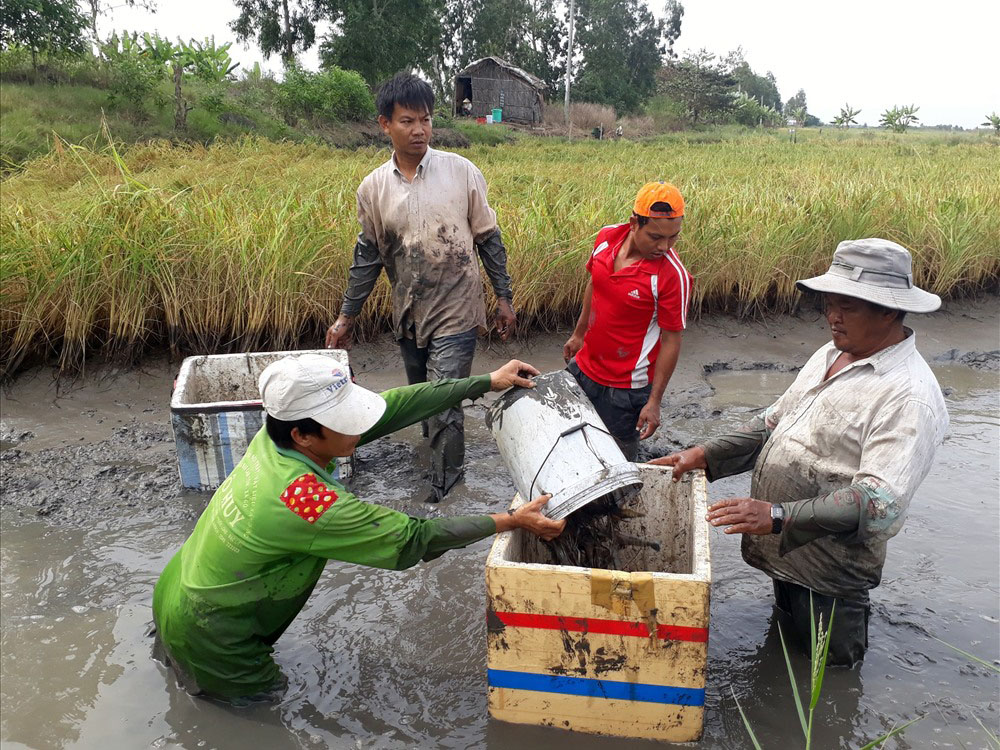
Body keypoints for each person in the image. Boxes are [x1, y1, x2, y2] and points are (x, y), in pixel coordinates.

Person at [152, 354, 565, 702]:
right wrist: (509, 520)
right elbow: (413, 539)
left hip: (178, 586)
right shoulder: (307, 502)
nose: (358, 427)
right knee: (262, 709)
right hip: (213, 635)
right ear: (304, 435)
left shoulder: (273, 435)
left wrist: (483, 382)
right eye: (345, 420)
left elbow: (394, 407)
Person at [653, 238, 949, 666]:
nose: (832, 316)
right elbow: (773, 423)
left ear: (889, 310)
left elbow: (879, 504)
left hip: (831, 575)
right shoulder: (833, 353)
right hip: (785, 556)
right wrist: (704, 455)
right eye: (829, 302)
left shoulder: (908, 396)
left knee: (829, 683)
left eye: (848, 305)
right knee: (786, 656)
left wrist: (776, 516)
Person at [325, 72, 516, 504]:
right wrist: (346, 317)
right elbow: (368, 258)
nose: (419, 130)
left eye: (426, 120)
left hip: (458, 308)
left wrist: (503, 298)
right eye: (408, 121)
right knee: (420, 400)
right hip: (409, 313)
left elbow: (489, 239)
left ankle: (444, 495)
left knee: (445, 400)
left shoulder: (461, 171)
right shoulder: (373, 188)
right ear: (384, 124)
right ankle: (434, 462)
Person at [562, 181, 692, 460]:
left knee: (617, 462)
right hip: (584, 368)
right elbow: (595, 284)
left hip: (625, 389)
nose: (664, 246)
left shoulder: (672, 276)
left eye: (673, 238)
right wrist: (578, 334)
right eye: (656, 237)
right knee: (573, 445)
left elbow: (671, 340)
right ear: (634, 223)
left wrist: (654, 402)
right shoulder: (606, 238)